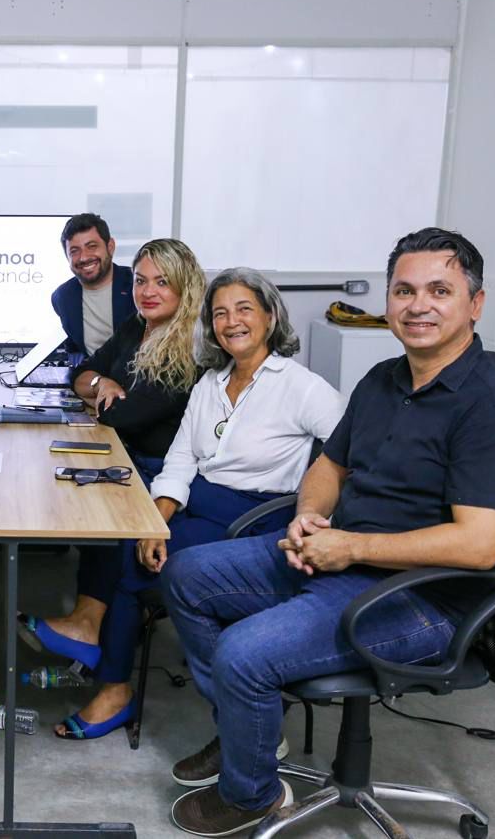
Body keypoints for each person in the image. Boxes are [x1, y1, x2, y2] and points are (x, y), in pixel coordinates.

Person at [156, 228, 495, 836]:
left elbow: (479, 544)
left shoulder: (493, 408)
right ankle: (246, 734)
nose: (418, 305)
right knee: (187, 573)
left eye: (439, 291)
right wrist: (309, 515)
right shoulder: (384, 380)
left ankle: (251, 793)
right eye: (404, 291)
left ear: (476, 303)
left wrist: (350, 546)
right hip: (343, 557)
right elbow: (329, 466)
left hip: (420, 598)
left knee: (242, 652)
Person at [35, 269, 345, 740]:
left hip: (253, 519)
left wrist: (317, 516)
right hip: (198, 504)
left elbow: (349, 453)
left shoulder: (301, 386)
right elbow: (180, 461)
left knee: (129, 566)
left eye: (244, 309)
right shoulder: (210, 385)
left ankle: (125, 687)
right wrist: (156, 522)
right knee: (130, 543)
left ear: (269, 316)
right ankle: (110, 678)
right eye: (220, 313)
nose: (231, 321)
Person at [18, 238, 205, 725]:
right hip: (129, 457)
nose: (147, 291)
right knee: (88, 504)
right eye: (141, 280)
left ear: (185, 287)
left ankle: (110, 678)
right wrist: (102, 383)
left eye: (162, 282)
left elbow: (124, 416)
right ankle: (86, 636)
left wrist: (105, 393)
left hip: (162, 473)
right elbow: (82, 373)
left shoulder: (188, 349)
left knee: (115, 534)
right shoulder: (136, 328)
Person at [50, 213, 137, 357]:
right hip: (92, 369)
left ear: (110, 247)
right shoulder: (62, 297)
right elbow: (74, 349)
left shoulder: (138, 285)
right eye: (74, 251)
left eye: (92, 246)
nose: (83, 257)